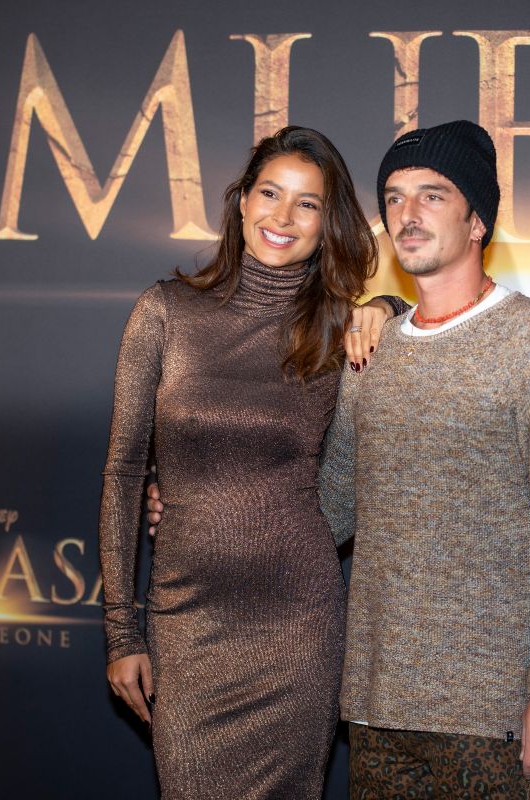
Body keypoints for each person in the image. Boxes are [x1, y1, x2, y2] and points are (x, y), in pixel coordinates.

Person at [317, 120, 530, 798]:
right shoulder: (371, 352)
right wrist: (206, 506)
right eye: (394, 198)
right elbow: (328, 510)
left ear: (477, 218)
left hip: (497, 719)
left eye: (433, 195)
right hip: (376, 711)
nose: (408, 214)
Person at [98, 126, 395, 799]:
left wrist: (387, 305)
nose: (282, 218)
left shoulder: (336, 329)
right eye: (270, 193)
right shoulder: (165, 313)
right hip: (186, 622)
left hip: (296, 624)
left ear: (328, 224)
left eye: (307, 204)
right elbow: (122, 474)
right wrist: (122, 631)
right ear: (240, 202)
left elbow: (431, 323)